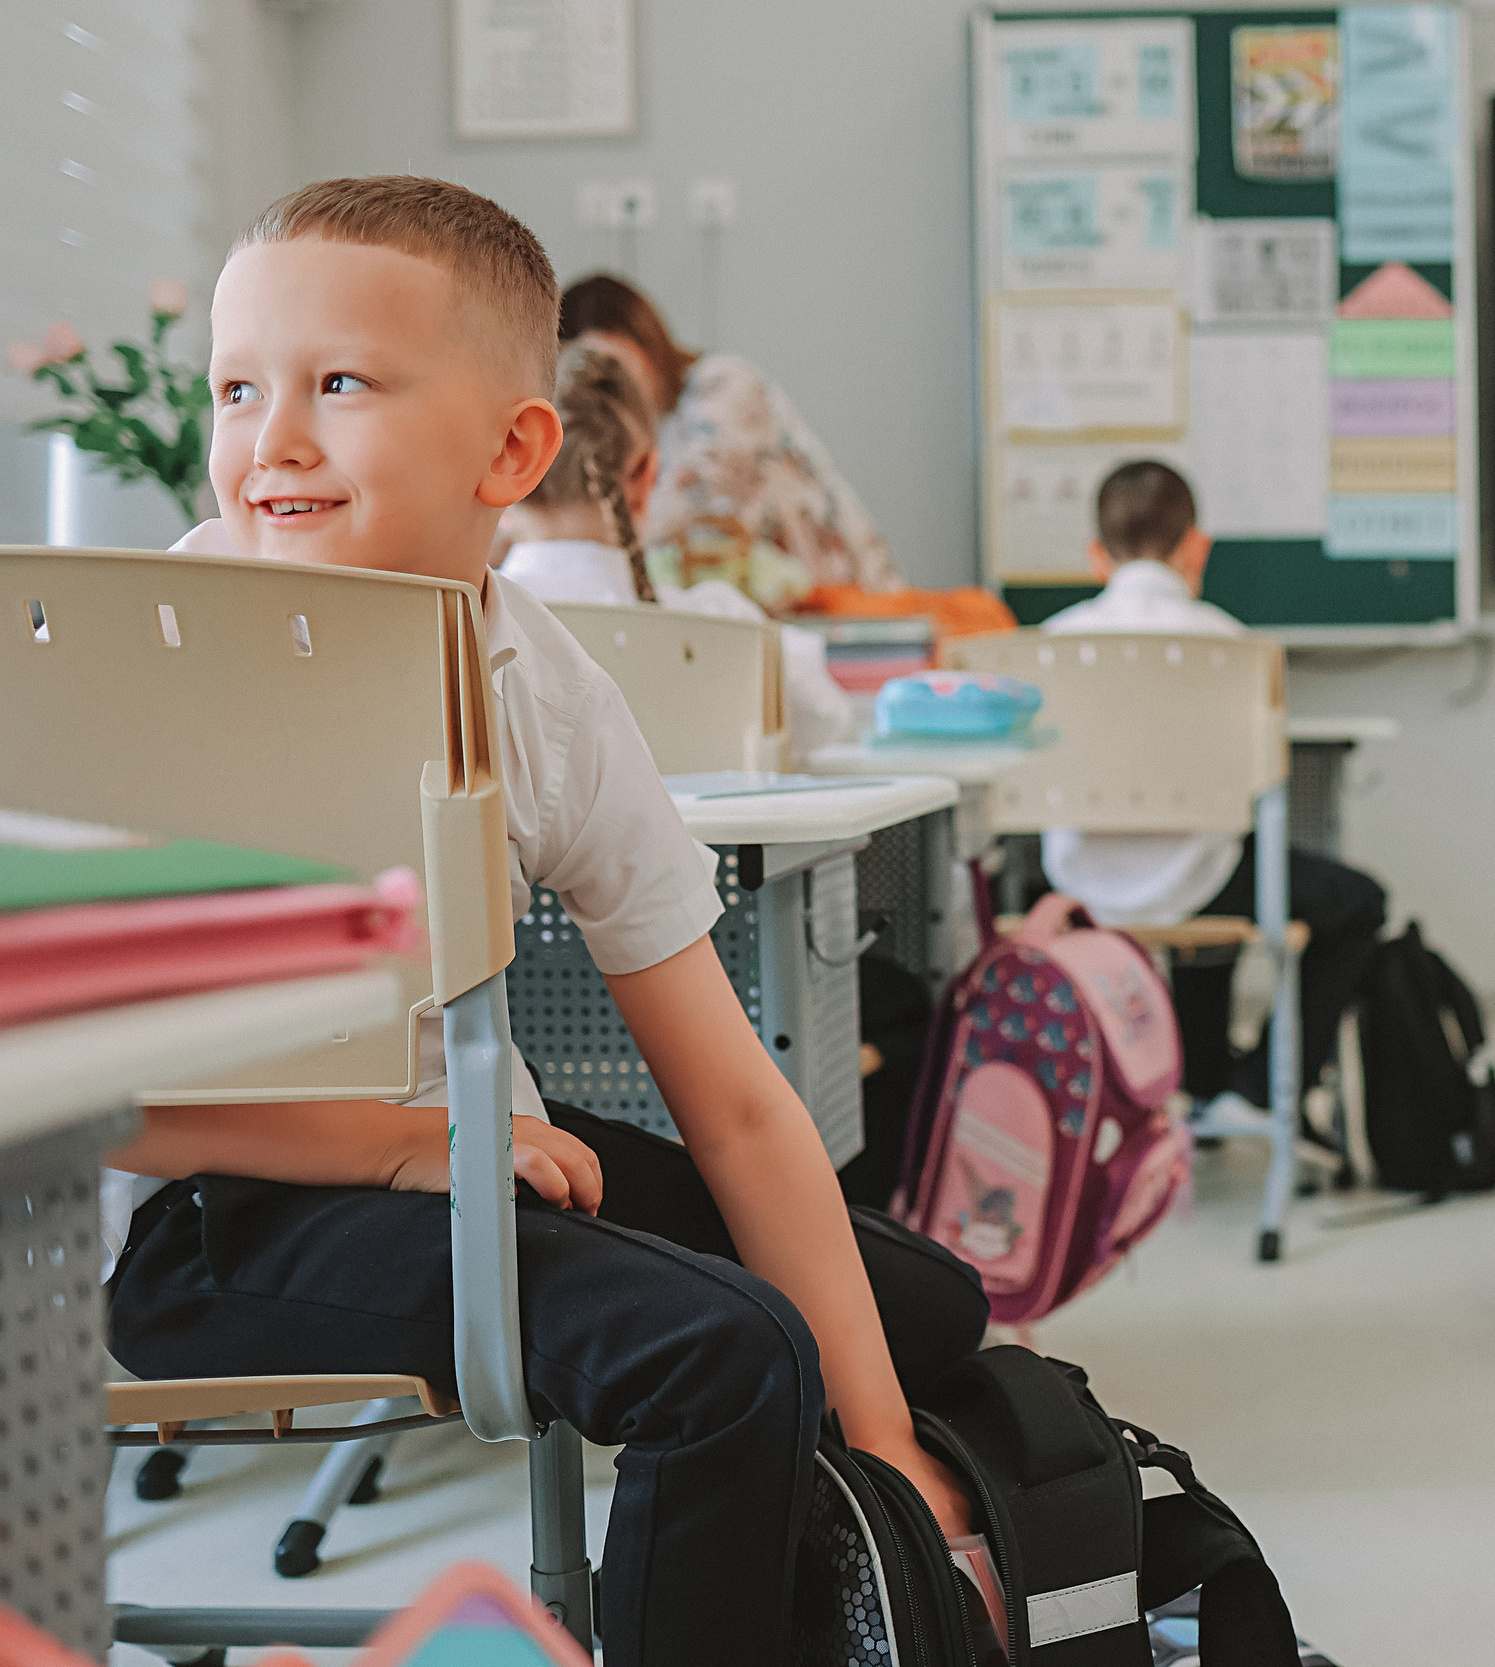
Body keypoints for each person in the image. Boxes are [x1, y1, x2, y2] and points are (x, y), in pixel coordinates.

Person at [107, 176, 983, 1663]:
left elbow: (741, 1106)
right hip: (220, 1218)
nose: (275, 440)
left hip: (469, 1162)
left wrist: (892, 1441)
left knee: (921, 1307)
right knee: (729, 1355)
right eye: (238, 387)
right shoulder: (144, 657)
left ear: (512, 449)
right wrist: (396, 1146)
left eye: (338, 383)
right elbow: (106, 1100)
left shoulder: (548, 686)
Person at [1040, 460, 1388, 1121]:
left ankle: (1198, 1078)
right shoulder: (1231, 646)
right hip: (1202, 879)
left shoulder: (1053, 644)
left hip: (1077, 885)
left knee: (1211, 867)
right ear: (1196, 545)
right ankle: (1256, 1090)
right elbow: (1261, 781)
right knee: (1351, 900)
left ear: (1095, 554)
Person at [497, 337, 858, 752]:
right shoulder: (723, 626)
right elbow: (827, 716)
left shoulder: (463, 632)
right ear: (647, 478)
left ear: (510, 474)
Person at [556, 272, 903, 596]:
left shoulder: (723, 384)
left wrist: (560, 531)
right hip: (782, 602)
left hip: (845, 598)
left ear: (642, 341)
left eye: (610, 361)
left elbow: (690, 498)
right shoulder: (644, 428)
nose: (605, 382)